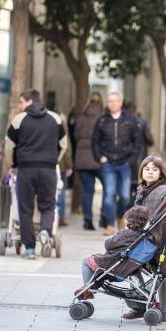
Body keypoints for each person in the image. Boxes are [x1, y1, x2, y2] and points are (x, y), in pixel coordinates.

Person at [5, 88, 67, 259]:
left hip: (26, 169)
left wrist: (13, 164)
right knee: (48, 205)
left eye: (21, 102)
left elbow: (9, 145)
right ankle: (45, 231)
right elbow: (63, 145)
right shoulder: (55, 119)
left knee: (25, 208)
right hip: (48, 169)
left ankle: (30, 249)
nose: (20, 106)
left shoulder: (19, 120)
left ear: (29, 101)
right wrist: (54, 159)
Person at [79, 206, 166, 318]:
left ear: (130, 221)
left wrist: (114, 237)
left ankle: (88, 287)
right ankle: (91, 287)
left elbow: (108, 244)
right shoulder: (144, 236)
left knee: (87, 260)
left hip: (114, 266)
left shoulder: (126, 234)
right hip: (128, 268)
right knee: (96, 265)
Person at [119, 155, 166, 321]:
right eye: (147, 169)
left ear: (161, 173)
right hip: (140, 237)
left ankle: (164, 310)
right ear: (141, 172)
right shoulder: (142, 189)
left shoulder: (163, 191)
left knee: (159, 275)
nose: (150, 172)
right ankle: (139, 306)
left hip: (155, 239)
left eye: (155, 170)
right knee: (132, 267)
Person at [92, 91, 143, 236]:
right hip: (108, 164)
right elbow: (94, 142)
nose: (112, 104)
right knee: (109, 194)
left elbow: (137, 141)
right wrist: (100, 157)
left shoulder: (130, 120)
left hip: (125, 163)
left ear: (120, 102)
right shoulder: (101, 120)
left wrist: (131, 160)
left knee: (125, 196)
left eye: (115, 101)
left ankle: (120, 217)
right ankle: (109, 224)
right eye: (109, 101)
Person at [73, 93, 104, 230]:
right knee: (108, 189)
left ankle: (88, 219)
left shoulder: (80, 118)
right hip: (98, 158)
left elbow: (75, 136)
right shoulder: (103, 117)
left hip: (82, 159)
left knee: (88, 191)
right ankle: (104, 217)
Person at [46, 97, 74, 227]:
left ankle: (50, 215)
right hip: (60, 164)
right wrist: (69, 165)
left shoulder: (45, 123)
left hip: (47, 162)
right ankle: (61, 217)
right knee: (61, 190)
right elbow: (66, 148)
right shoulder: (61, 126)